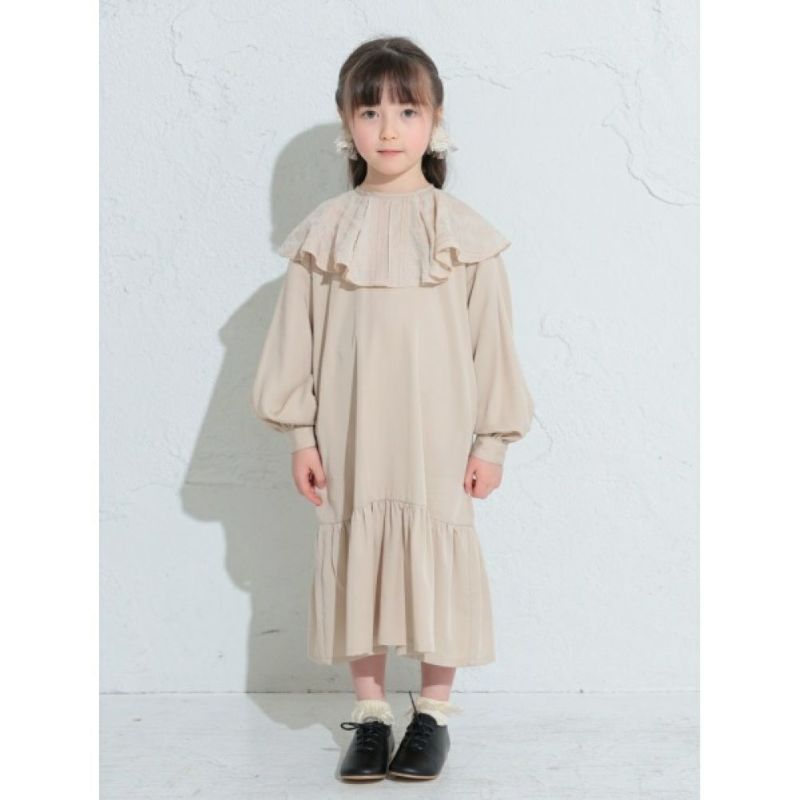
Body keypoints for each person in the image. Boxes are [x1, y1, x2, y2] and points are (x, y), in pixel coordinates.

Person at [251, 35, 534, 782]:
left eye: (407, 110)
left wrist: (492, 443)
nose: (388, 128)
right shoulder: (325, 231)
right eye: (370, 110)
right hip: (352, 432)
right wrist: (301, 435)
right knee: (358, 555)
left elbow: (492, 345)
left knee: (438, 553)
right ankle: (372, 713)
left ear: (435, 121)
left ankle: (432, 714)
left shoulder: (463, 232)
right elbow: (296, 341)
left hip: (438, 435)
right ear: (347, 123)